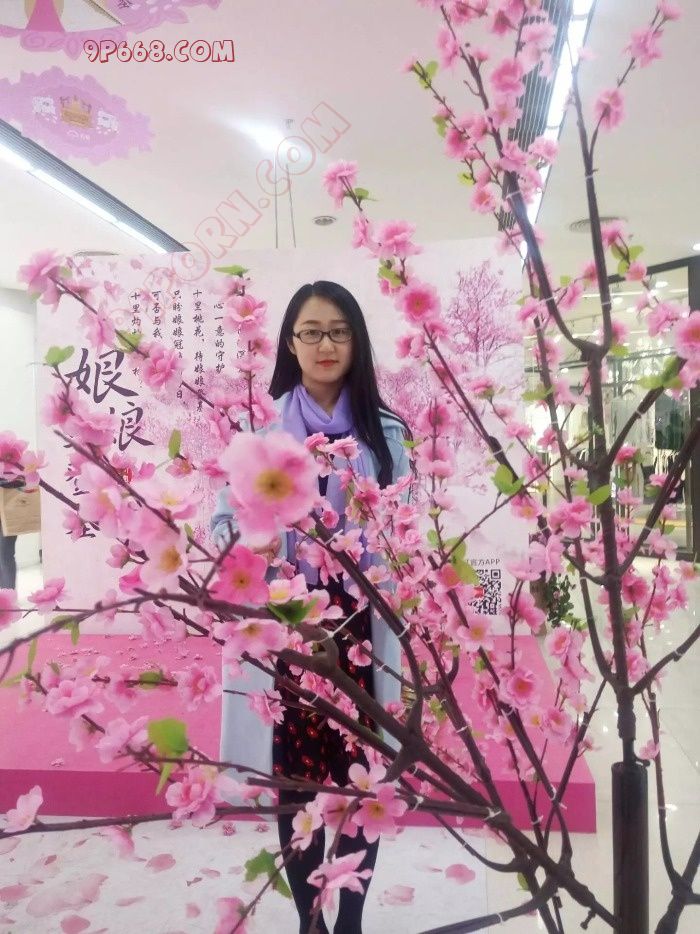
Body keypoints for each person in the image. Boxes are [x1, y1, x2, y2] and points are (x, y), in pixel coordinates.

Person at [212, 280, 411, 934]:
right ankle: (310, 921)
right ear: (290, 344)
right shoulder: (259, 432)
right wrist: (252, 544)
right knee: (296, 783)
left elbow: (407, 531)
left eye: (339, 331)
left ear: (356, 341)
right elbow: (222, 524)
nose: (326, 344)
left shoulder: (387, 434)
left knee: (361, 780)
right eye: (312, 332)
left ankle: (349, 919)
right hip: (287, 629)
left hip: (362, 631)